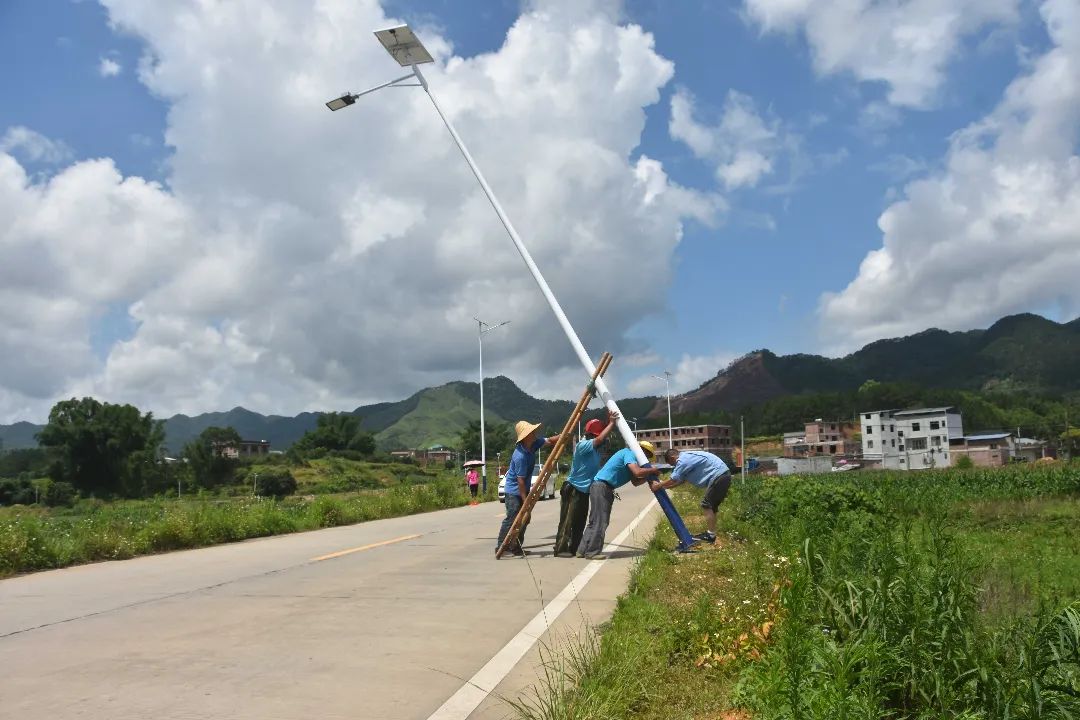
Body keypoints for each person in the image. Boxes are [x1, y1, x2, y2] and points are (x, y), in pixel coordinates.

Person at [577, 440, 661, 560]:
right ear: (642, 450)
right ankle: (592, 552)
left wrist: (648, 476)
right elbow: (637, 473)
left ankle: (582, 550)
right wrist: (652, 470)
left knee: (594, 520)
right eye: (647, 455)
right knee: (601, 521)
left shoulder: (630, 458)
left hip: (600, 486)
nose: (646, 458)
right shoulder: (630, 453)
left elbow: (636, 482)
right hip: (603, 486)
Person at [553, 410, 619, 558]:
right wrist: (612, 424)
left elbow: (602, 438)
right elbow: (601, 438)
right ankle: (561, 548)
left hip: (584, 491)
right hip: (573, 489)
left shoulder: (595, 450)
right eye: (597, 436)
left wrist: (609, 422)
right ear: (591, 436)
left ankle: (575, 547)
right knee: (567, 522)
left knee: (580, 522)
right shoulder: (583, 445)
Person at [495, 420, 556, 557]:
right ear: (525, 436)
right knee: (512, 518)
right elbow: (520, 480)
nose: (534, 434)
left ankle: (516, 546)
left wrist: (564, 436)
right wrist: (525, 499)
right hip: (514, 491)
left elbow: (549, 441)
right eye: (531, 432)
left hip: (523, 489)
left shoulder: (533, 445)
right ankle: (502, 546)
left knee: (525, 519)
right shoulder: (520, 456)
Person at [651, 448, 731, 544]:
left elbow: (673, 479)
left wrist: (658, 485)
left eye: (673, 464)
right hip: (722, 475)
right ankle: (711, 534)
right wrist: (665, 487)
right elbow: (680, 481)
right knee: (711, 507)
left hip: (719, 476)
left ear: (673, 457)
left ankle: (710, 535)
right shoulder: (687, 458)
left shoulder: (683, 460)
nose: (674, 466)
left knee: (706, 504)